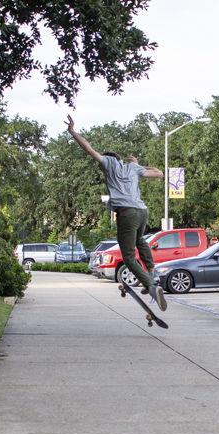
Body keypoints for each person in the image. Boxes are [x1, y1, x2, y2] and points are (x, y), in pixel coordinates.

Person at [65, 115, 167, 312]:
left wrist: (72, 132)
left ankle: (151, 286)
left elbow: (88, 148)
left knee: (128, 257)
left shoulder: (109, 163)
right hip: (142, 212)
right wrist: (138, 164)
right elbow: (159, 173)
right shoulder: (133, 168)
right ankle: (152, 271)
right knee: (141, 241)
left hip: (127, 214)